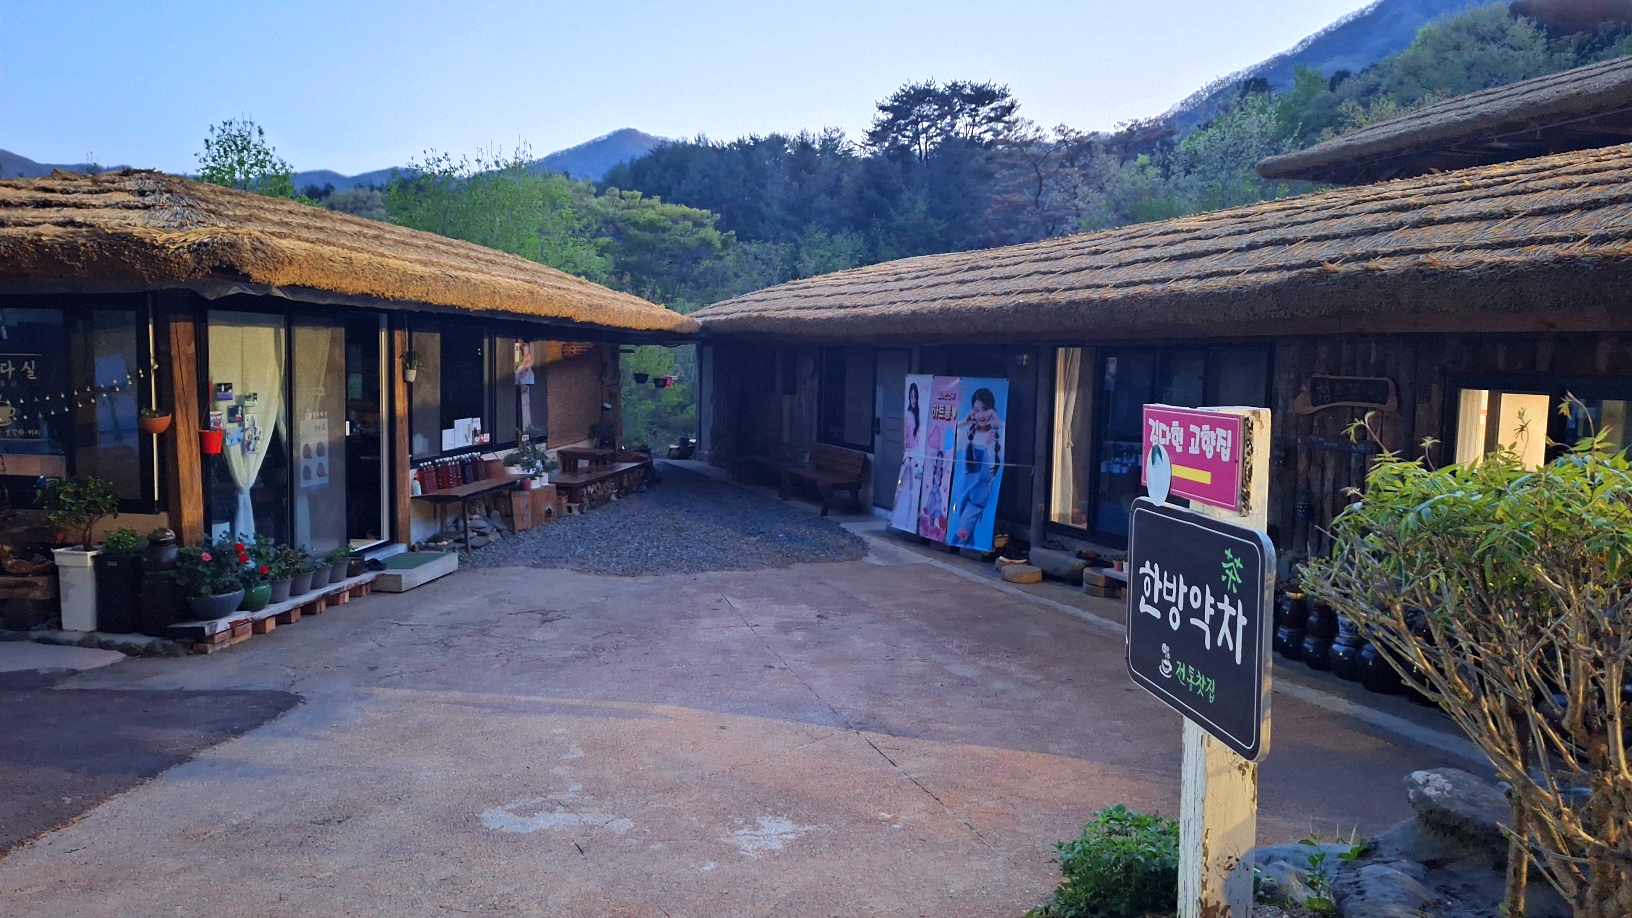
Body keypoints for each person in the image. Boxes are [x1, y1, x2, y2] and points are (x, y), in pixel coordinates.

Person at [953, 388, 1003, 545]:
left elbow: (997, 464)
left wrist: (997, 422)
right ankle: (970, 549)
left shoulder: (997, 434)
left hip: (979, 496)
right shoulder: (967, 433)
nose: (981, 415)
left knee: (962, 533)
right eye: (976, 410)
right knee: (966, 534)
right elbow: (946, 436)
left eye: (985, 409)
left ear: (992, 410)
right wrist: (963, 422)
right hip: (963, 490)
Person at [903, 382, 922, 452]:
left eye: (915, 397)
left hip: (917, 451)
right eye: (912, 396)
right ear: (909, 398)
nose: (913, 400)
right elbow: (905, 436)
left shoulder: (918, 415)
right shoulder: (907, 415)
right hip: (908, 450)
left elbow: (919, 438)